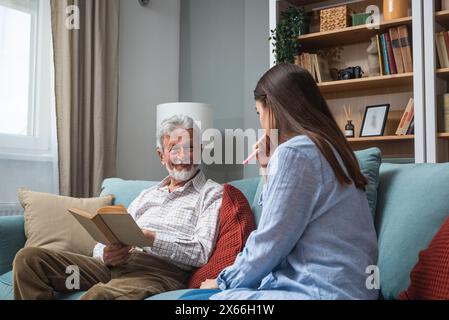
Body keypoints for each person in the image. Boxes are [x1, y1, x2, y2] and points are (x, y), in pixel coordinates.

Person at [197, 63, 379, 300]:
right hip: (355, 290)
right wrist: (267, 167)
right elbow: (284, 220)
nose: (260, 123)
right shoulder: (333, 149)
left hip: (320, 292)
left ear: (273, 109)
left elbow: (271, 241)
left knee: (198, 301)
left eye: (258, 113)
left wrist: (224, 282)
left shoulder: (295, 153)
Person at [13, 115, 223, 300]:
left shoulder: (212, 193)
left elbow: (201, 252)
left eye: (190, 148)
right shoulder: (147, 195)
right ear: (161, 156)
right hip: (110, 267)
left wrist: (150, 238)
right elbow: (100, 244)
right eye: (174, 149)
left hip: (158, 273)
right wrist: (106, 253)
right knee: (29, 260)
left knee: (100, 295)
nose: (183, 156)